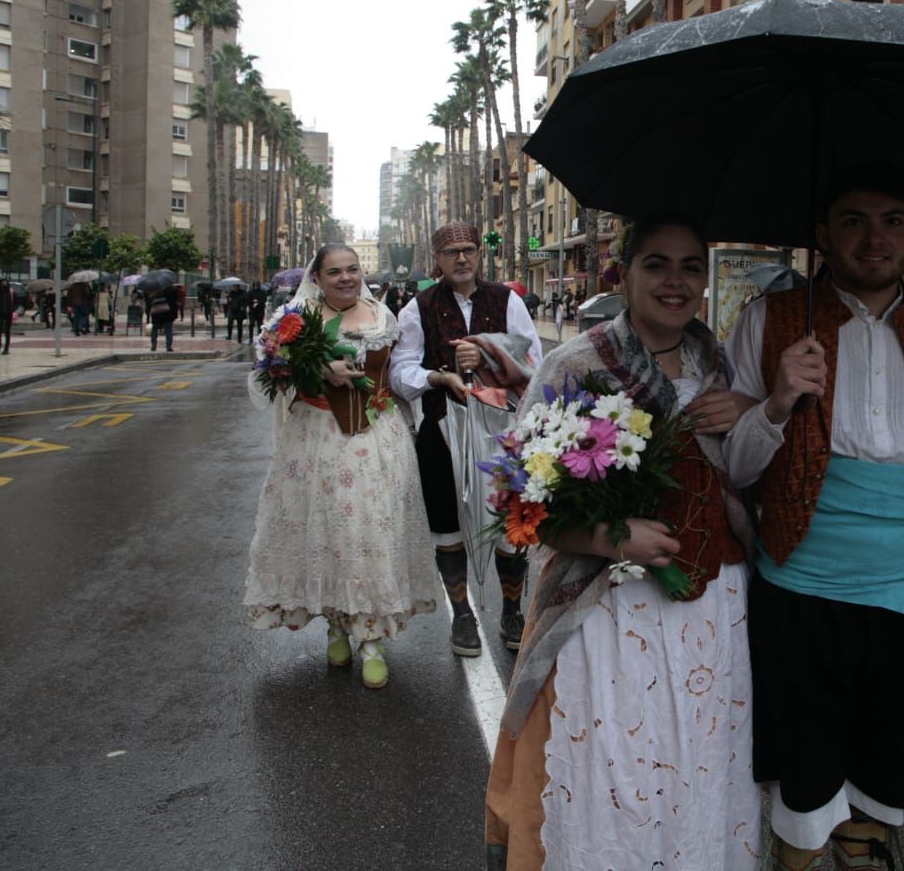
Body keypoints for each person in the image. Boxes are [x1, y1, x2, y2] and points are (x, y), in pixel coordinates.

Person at [724, 163, 904, 869]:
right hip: (798, 597)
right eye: (852, 219)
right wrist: (778, 402)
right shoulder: (769, 321)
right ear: (821, 234)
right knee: (805, 779)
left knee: (888, 775)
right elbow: (730, 469)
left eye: (892, 220)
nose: (873, 238)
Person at [485, 216, 761, 869]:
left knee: (698, 761)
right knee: (620, 772)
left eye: (691, 266)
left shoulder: (719, 365)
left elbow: (750, 488)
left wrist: (755, 413)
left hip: (713, 612)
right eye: (657, 264)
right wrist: (613, 535)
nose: (675, 281)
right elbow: (513, 503)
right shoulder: (575, 365)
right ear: (624, 272)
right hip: (606, 616)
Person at [243, 243, 439, 689]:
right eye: (336, 272)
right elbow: (267, 372)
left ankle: (370, 639)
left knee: (369, 533)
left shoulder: (384, 317)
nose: (346, 278)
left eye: (352, 269)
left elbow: (398, 372)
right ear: (319, 276)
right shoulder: (293, 321)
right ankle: (335, 624)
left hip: (377, 439)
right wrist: (314, 368)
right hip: (317, 437)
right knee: (330, 533)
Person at [388, 222, 542, 658]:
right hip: (441, 431)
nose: (461, 258)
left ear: (479, 254)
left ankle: (512, 610)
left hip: (505, 433)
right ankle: (462, 614)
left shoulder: (507, 299)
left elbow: (534, 358)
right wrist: (439, 375)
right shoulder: (418, 307)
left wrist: (489, 352)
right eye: (451, 251)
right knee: (448, 528)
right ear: (436, 258)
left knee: (512, 527)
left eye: (469, 250)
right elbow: (400, 371)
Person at [147, 284, 178, 352]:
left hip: (156, 314)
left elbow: (149, 304)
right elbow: (174, 300)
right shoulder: (169, 290)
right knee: (168, 330)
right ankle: (169, 346)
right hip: (167, 313)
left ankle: (154, 345)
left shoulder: (152, 293)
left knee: (155, 329)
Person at [0, 276, 16, 354]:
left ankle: (6, 348)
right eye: (2, 282)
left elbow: (15, 301)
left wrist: (13, 309)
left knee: (7, 331)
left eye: (5, 282)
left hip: (8, 313)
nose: (4, 284)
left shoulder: (10, 292)